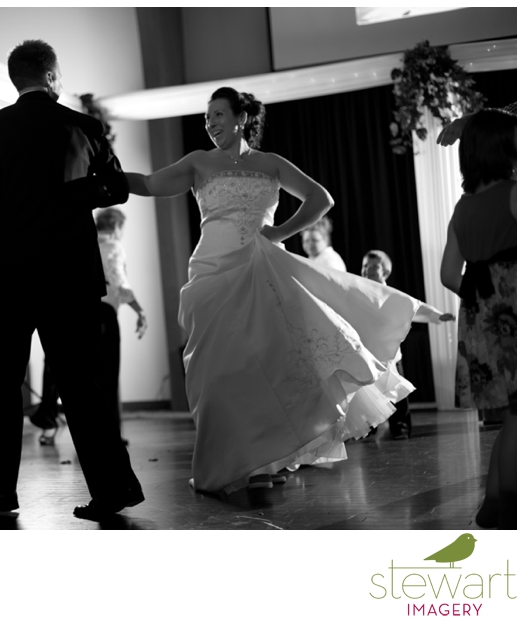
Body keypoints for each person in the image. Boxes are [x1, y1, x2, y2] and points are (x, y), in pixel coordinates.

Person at [125, 87, 424, 494]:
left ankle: (267, 460)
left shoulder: (271, 163)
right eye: (206, 118)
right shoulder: (198, 162)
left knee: (268, 365)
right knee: (219, 370)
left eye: (218, 115)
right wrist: (105, 176)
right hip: (214, 273)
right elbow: (148, 183)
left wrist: (280, 231)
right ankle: (234, 460)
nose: (210, 124)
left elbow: (321, 198)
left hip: (261, 270)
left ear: (241, 118)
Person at [0, 39, 144, 520]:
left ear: (16, 79)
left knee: (1, 379)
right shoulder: (84, 126)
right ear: (53, 76)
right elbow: (117, 188)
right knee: (81, 382)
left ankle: (0, 491)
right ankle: (112, 489)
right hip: (70, 274)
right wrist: (76, 194)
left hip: (9, 274)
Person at [440, 108, 516, 529]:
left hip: (480, 322)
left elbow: (449, 275)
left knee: (512, 418)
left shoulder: (462, 207)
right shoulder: (513, 193)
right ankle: (509, 511)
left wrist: (484, 298)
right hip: (513, 317)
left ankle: (493, 505)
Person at [29, 208, 148, 446]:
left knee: (76, 374)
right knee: (107, 375)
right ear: (117, 227)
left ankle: (65, 425)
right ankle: (110, 434)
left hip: (74, 311)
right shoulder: (113, 247)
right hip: (103, 313)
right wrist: (139, 310)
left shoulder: (80, 242)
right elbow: (118, 281)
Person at [361, 250, 455, 439]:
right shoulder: (358, 291)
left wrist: (436, 315)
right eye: (365, 266)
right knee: (367, 393)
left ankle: (401, 426)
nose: (368, 270)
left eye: (374, 266)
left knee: (397, 392)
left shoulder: (392, 295)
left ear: (386, 272)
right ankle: (369, 427)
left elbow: (414, 307)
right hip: (367, 354)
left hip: (390, 356)